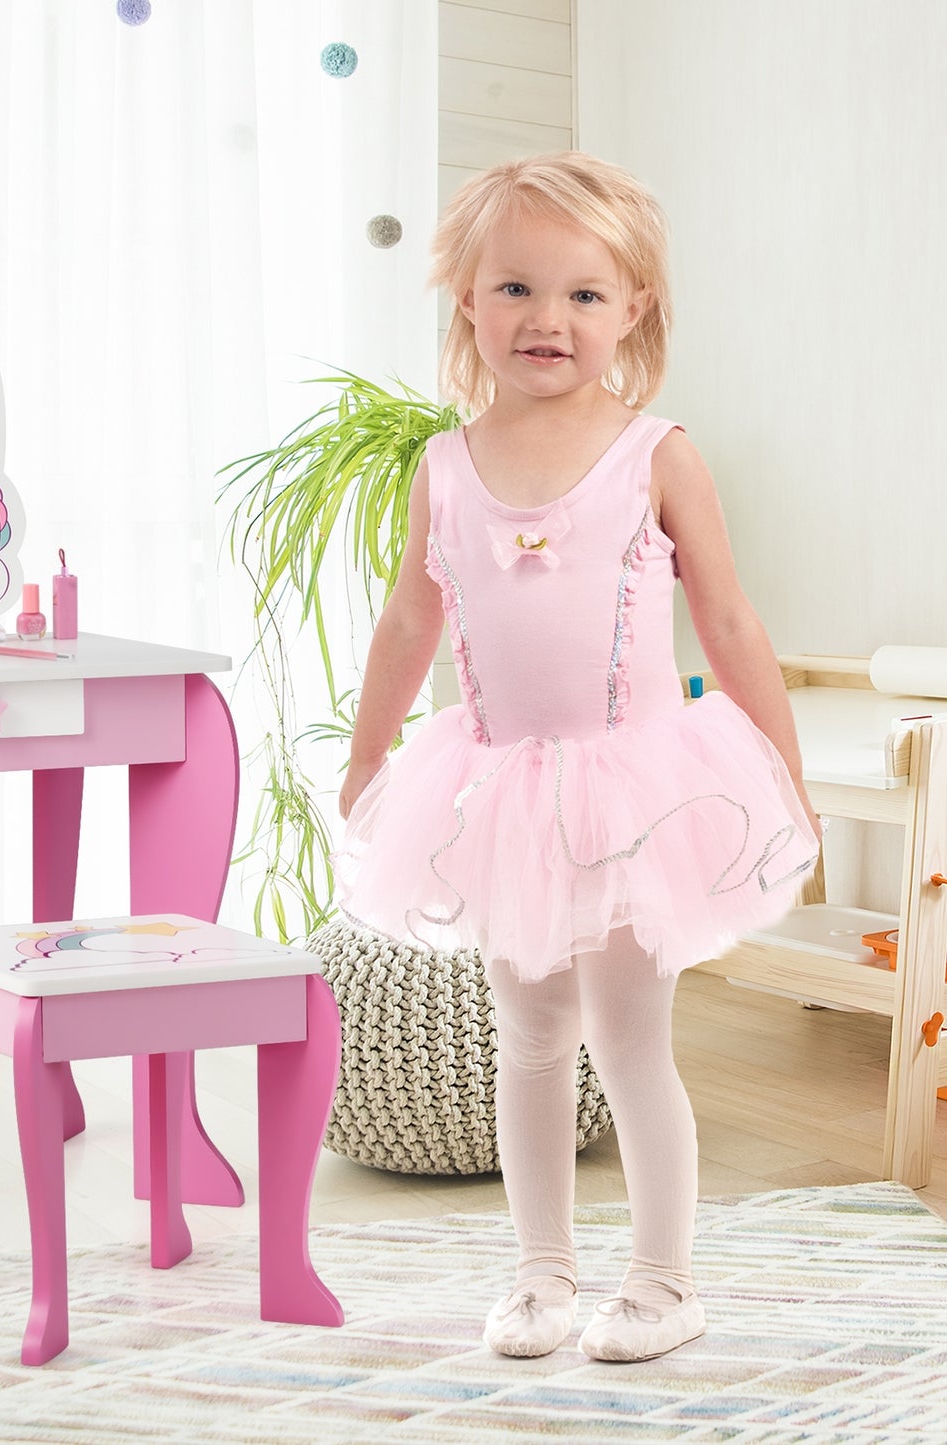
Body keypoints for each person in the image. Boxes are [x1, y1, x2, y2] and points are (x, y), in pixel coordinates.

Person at [333, 152, 822, 1364]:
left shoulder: (657, 453)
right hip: (498, 789)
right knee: (530, 1036)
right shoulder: (442, 465)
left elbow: (730, 621)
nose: (545, 319)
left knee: (629, 1038)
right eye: (513, 289)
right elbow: (409, 622)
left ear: (634, 307)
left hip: (633, 794)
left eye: (582, 295)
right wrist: (368, 755)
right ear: (465, 301)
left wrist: (781, 768)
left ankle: (662, 1280)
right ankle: (539, 1274)